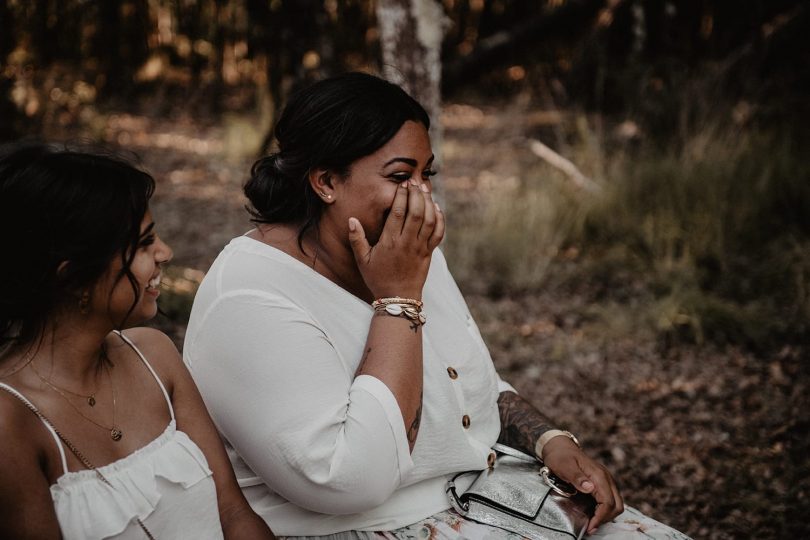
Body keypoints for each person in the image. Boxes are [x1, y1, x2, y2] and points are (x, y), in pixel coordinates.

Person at [183, 72, 690, 539]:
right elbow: (349, 480)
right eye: (401, 176)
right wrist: (397, 299)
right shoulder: (251, 296)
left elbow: (469, 383)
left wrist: (551, 442)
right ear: (326, 182)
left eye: (427, 173)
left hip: (486, 495)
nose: (422, 196)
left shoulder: (405, 247)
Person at [0, 143, 276, 540]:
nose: (165, 252)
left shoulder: (153, 354)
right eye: (145, 243)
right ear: (73, 275)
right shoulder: (12, 420)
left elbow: (233, 512)